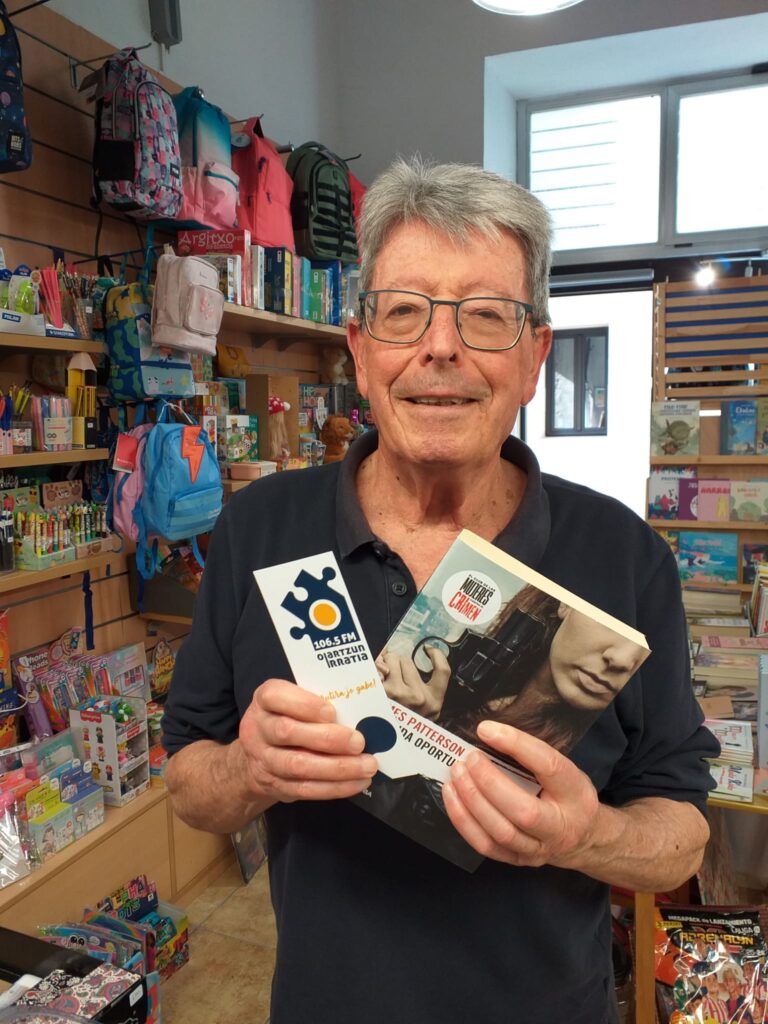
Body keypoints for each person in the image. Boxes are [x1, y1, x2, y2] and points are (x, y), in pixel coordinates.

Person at [162, 156, 719, 1024]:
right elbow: (189, 782)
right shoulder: (260, 528)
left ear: (534, 358)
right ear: (360, 351)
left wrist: (589, 837)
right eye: (405, 311)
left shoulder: (624, 555)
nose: (441, 347)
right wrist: (248, 768)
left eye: (487, 315)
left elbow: (680, 835)